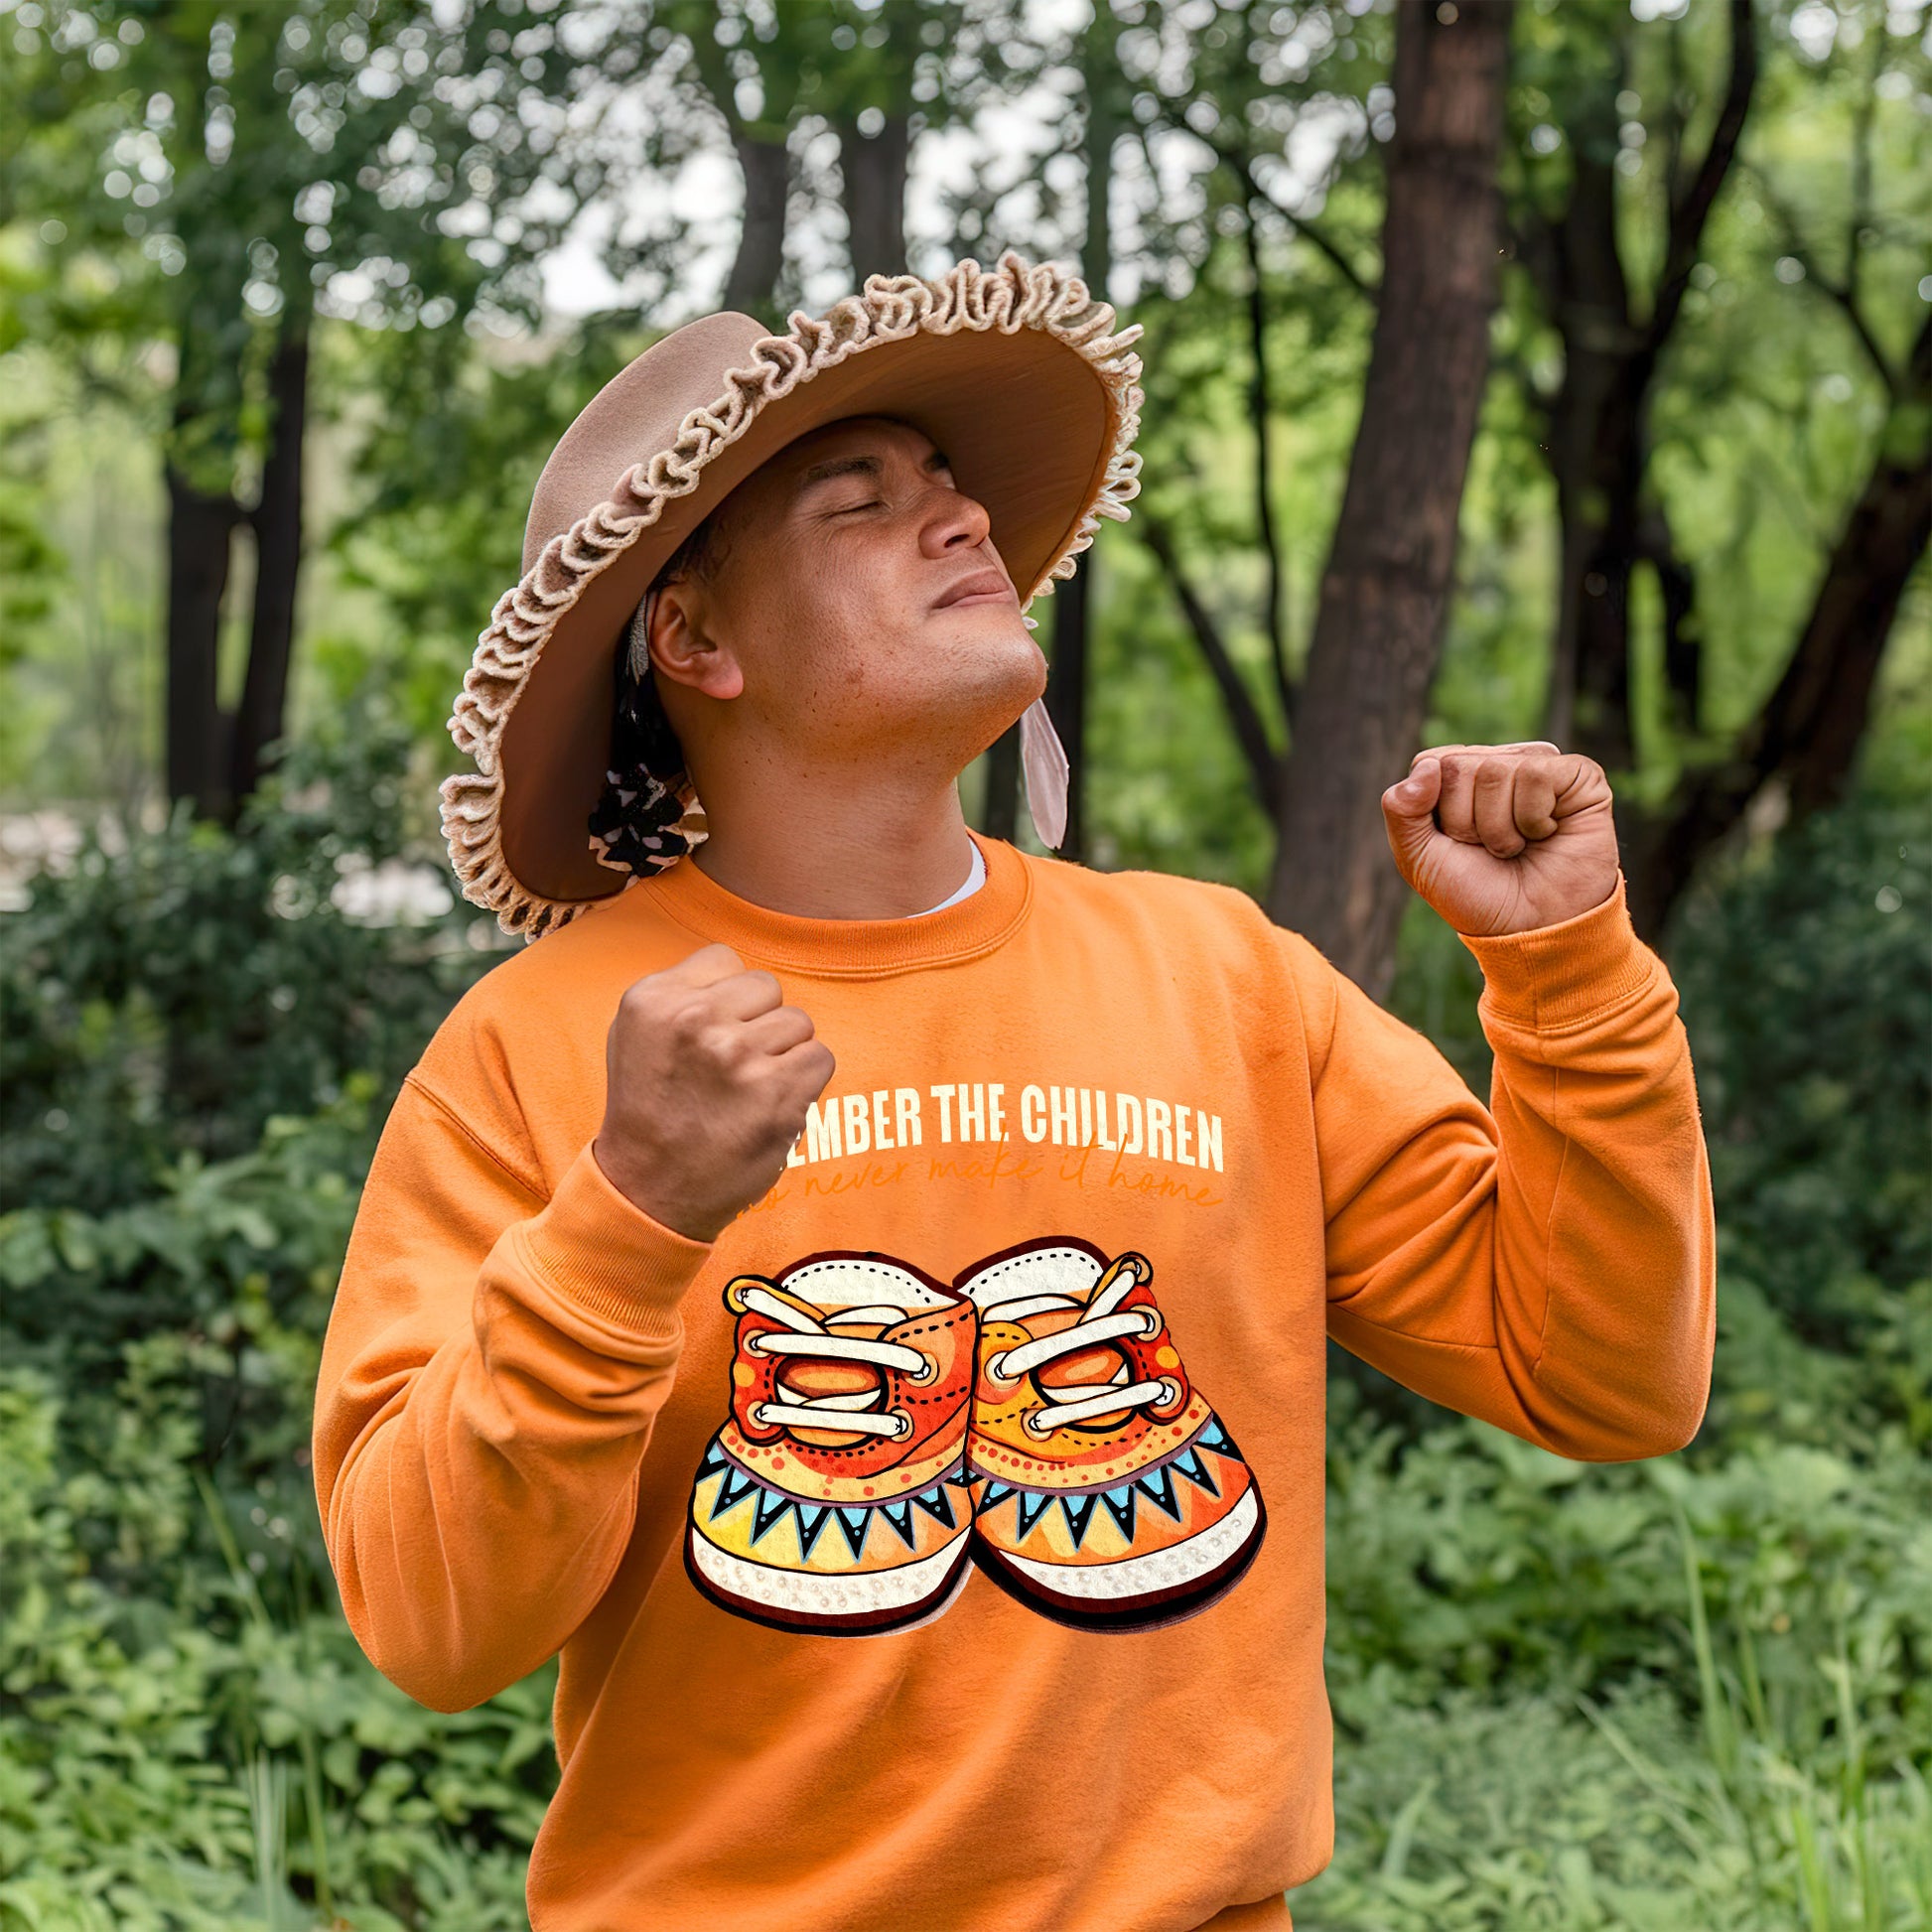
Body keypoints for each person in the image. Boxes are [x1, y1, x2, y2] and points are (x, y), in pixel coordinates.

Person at [314, 253, 1716, 1932]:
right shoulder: (538, 1046)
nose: (964, 518)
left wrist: (1565, 972)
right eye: (860, 500)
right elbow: (430, 1625)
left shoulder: (1223, 977)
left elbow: (1605, 1376)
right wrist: (625, 1219)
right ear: (693, 636)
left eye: (951, 484)